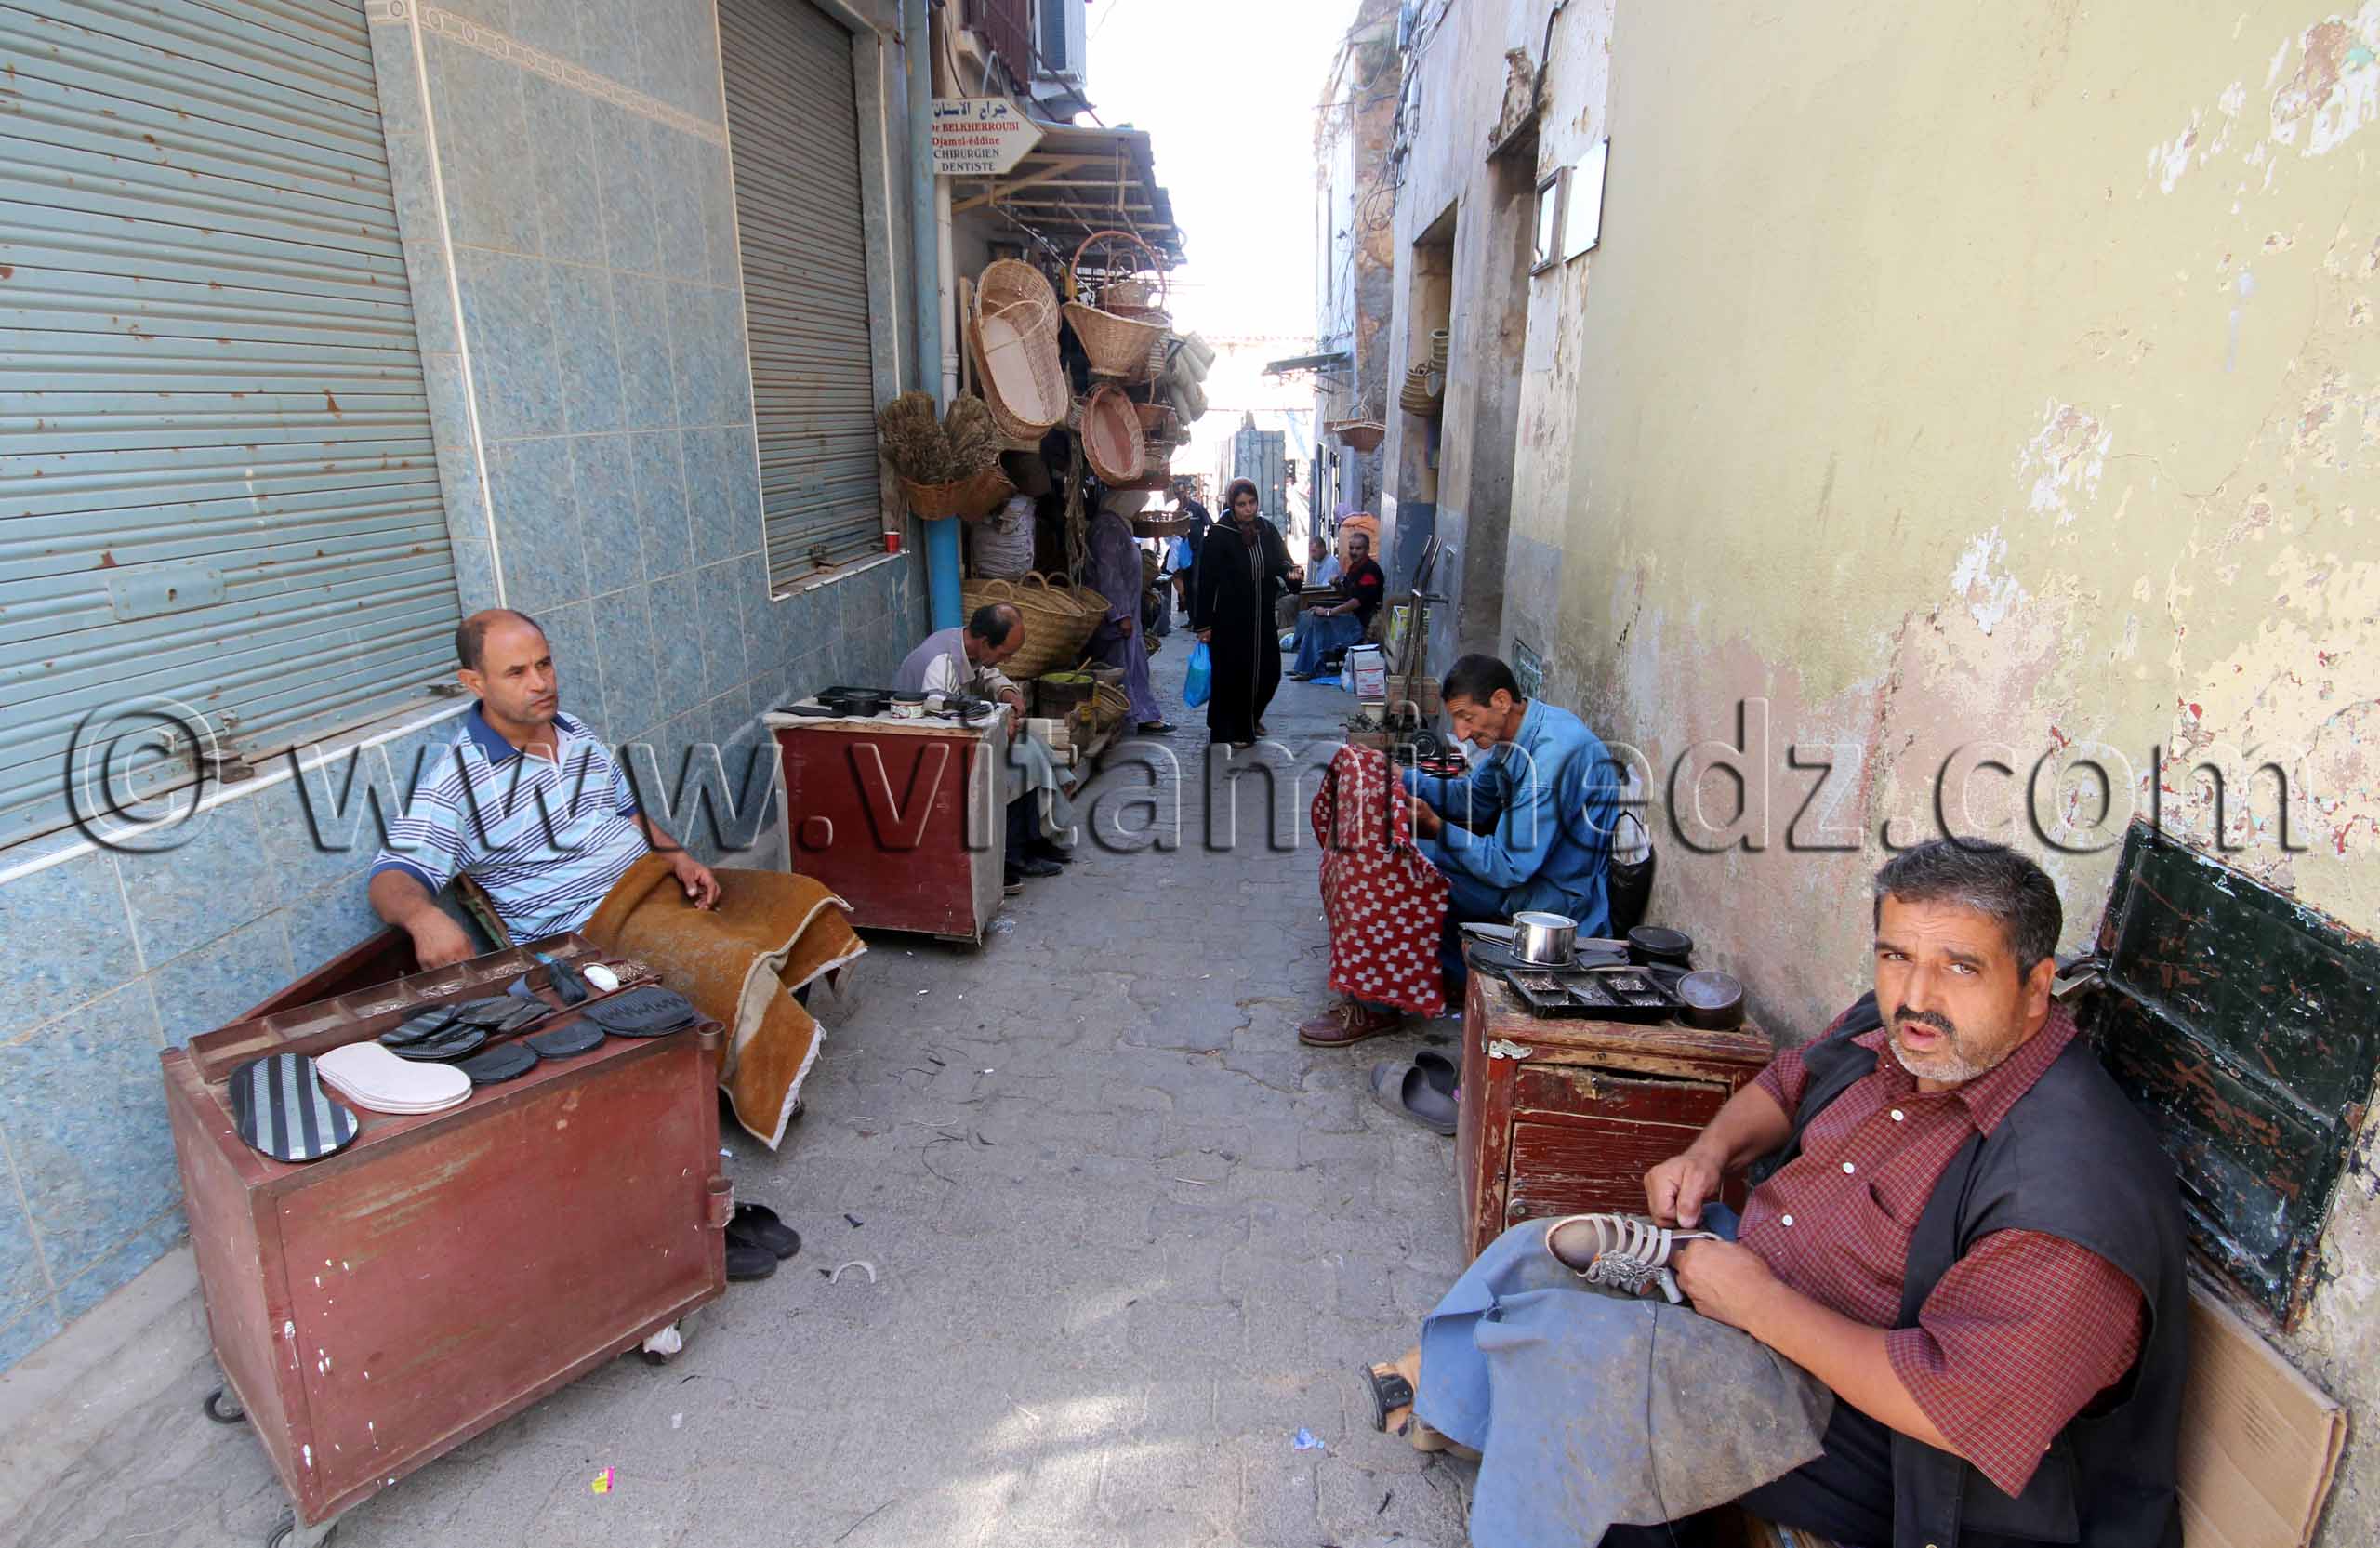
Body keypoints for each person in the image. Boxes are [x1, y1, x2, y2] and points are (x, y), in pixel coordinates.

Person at [1361, 840, 2185, 1548]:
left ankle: (1524, 1460)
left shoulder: (2069, 1191)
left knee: (1581, 1365)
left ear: (2037, 987)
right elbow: (1788, 1083)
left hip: (1893, 1445)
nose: (1917, 995)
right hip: (1758, 1284)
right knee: (1540, 1249)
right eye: (1896, 956)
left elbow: (1954, 1410)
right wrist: (1707, 1152)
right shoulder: (1901, 1029)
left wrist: (1757, 1306)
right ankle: (1458, 1412)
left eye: (1960, 967)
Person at [368, 609, 719, 970]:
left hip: (659, 893)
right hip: (595, 937)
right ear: (475, 683)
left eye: (544, 664)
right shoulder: (457, 782)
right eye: (516, 672)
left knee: (758, 927)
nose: (541, 683)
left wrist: (680, 859)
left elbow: (627, 812)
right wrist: (423, 919)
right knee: (735, 965)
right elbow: (389, 879)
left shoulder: (573, 730)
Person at [1298, 654, 1619, 1047]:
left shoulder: (1548, 762)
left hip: (1552, 900)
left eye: (1467, 718)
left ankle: (1375, 1005)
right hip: (1528, 872)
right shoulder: (1520, 730)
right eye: (1457, 720)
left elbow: (1508, 865)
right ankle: (1448, 976)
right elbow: (1475, 800)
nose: (1461, 733)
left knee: (1399, 868)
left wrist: (1436, 826)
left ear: (1501, 700)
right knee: (1394, 849)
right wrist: (1403, 778)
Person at [894, 604, 1073, 891]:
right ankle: (1011, 859)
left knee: (1031, 742)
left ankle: (1036, 839)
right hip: (929, 754)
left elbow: (988, 673)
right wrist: (1000, 722)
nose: (1008, 659)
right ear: (985, 642)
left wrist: (1008, 692)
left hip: (956, 739)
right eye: (1005, 653)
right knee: (1021, 759)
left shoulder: (967, 645)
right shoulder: (940, 664)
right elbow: (945, 722)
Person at [1189, 477, 1296, 749]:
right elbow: (1206, 582)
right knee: (1233, 677)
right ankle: (1235, 729)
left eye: (1252, 502)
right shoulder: (1219, 535)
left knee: (1270, 673)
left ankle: (1250, 718)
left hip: (1262, 618)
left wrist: (1292, 572)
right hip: (1229, 621)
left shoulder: (1266, 530)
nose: (1248, 509)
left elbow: (1282, 561)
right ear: (1232, 505)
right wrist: (1203, 624)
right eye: (1241, 504)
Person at [1086, 496, 1175, 734]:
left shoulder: (1117, 524)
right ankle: (1130, 715)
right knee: (1123, 667)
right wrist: (1121, 615)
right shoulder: (1107, 528)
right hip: (1118, 616)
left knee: (1134, 665)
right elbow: (1110, 575)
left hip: (1127, 612)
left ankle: (1142, 715)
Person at [1286, 528, 1384, 681]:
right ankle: (1303, 667)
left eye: (1358, 548)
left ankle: (1312, 669)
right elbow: (1346, 593)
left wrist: (1328, 612)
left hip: (1360, 624)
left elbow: (1356, 602)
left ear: (1367, 550)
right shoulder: (1354, 568)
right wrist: (1337, 584)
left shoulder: (1370, 571)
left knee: (1318, 622)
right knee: (1308, 616)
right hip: (1350, 617)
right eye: (1351, 548)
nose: (1354, 552)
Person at [1169, 475, 1211, 616]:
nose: (1180, 496)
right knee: (1186, 585)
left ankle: (1199, 618)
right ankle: (1191, 618)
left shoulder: (1197, 508)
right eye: (1177, 493)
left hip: (1197, 550)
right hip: (1184, 551)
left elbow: (1210, 524)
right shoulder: (1177, 511)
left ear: (1187, 491)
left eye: (1182, 492)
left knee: (1195, 585)